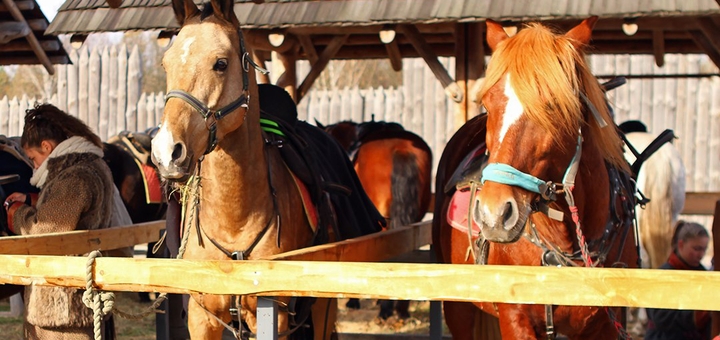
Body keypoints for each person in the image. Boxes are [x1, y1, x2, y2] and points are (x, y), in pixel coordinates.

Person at [4, 103, 131, 340]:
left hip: (64, 310)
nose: (34, 166)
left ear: (46, 146)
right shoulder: (87, 167)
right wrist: (33, 200)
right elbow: (77, 213)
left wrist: (17, 212)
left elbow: (46, 230)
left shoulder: (75, 176)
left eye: (33, 158)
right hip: (74, 302)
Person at [645, 220, 711, 340]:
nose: (701, 254)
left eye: (704, 249)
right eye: (696, 249)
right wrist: (695, 316)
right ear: (681, 245)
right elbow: (660, 317)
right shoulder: (663, 276)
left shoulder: (704, 276)